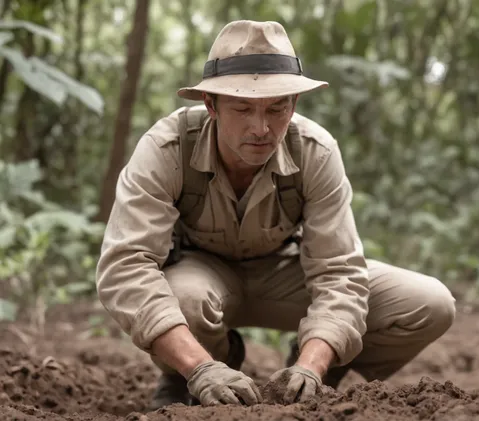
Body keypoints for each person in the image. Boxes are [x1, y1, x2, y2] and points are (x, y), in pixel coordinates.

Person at [95, 19, 456, 410]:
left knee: (429, 304)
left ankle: (315, 371)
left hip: (284, 272)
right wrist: (200, 367)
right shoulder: (167, 148)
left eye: (276, 107)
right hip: (201, 274)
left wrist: (313, 365)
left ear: (294, 104)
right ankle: (190, 372)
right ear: (210, 104)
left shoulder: (314, 150)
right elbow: (125, 265)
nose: (261, 127)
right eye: (243, 108)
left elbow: (337, 271)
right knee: (185, 300)